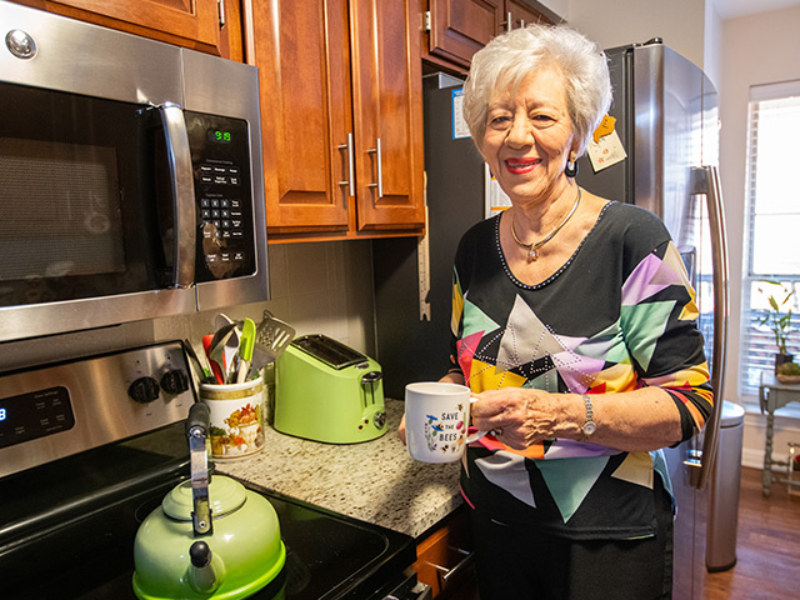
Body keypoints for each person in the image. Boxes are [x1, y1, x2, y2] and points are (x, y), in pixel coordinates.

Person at [399, 24, 713, 600]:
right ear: (482, 140)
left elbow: (688, 404)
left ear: (576, 136)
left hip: (609, 538)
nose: (518, 136)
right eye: (499, 119)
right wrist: (434, 407)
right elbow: (458, 369)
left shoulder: (632, 240)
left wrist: (556, 416)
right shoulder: (473, 248)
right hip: (495, 520)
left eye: (542, 116)